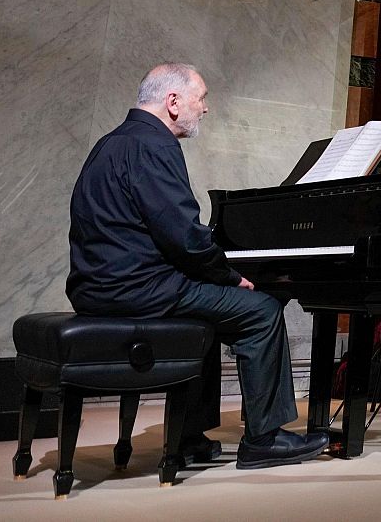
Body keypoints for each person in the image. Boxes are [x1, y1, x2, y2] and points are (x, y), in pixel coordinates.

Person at [67, 63, 330, 470]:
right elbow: (185, 238)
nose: (205, 108)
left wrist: (215, 274)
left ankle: (188, 436)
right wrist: (230, 276)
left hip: (98, 287)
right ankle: (263, 439)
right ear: (173, 102)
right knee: (261, 312)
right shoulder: (154, 146)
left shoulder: (112, 142)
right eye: (201, 97)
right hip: (138, 290)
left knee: (206, 318)